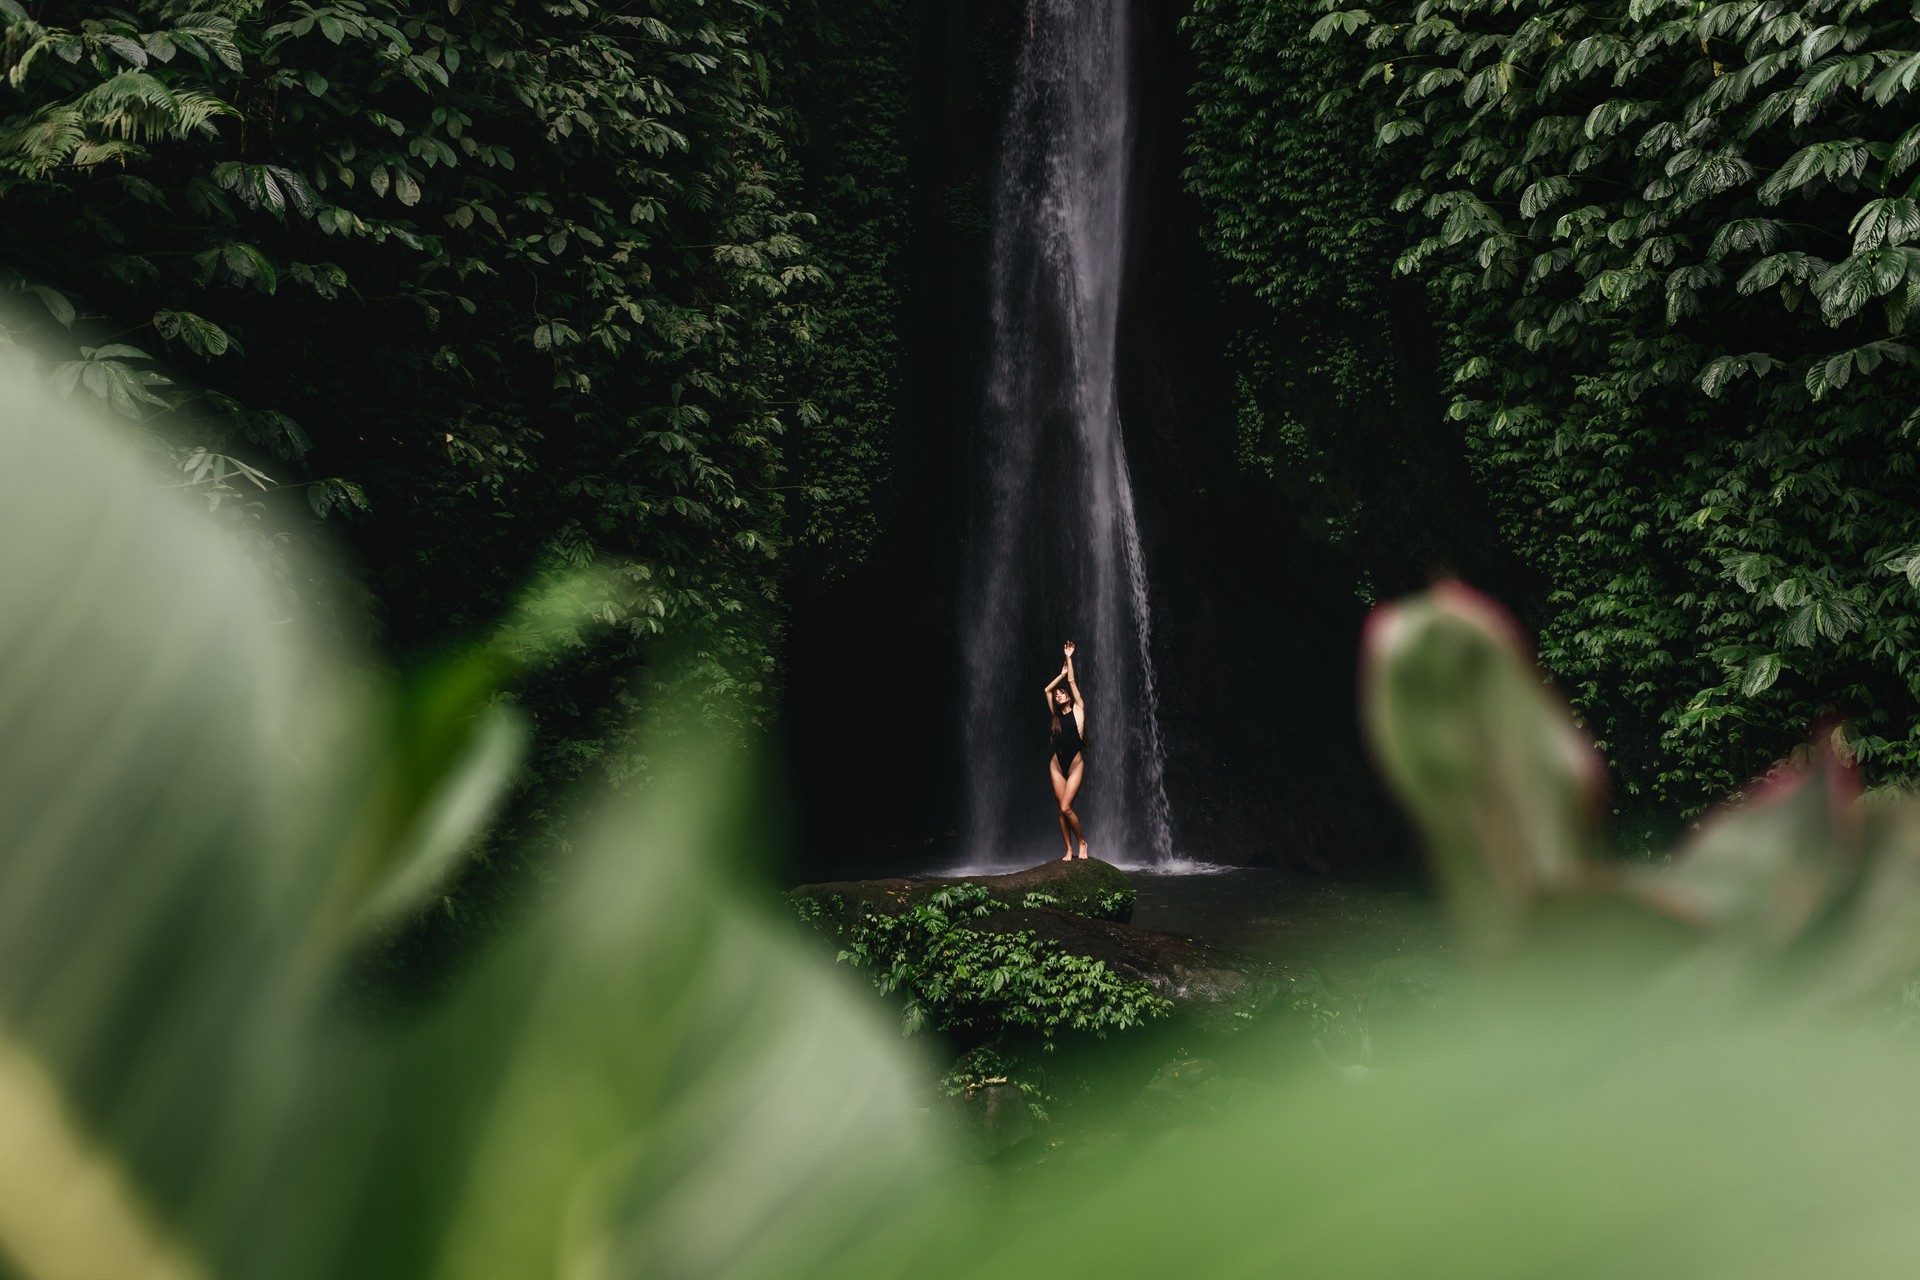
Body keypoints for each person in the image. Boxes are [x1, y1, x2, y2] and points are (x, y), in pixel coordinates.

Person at [1043, 641, 1089, 861]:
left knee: (1066, 806)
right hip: (1056, 764)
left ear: (1069, 697)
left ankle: (1082, 842)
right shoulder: (1056, 716)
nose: (1059, 695)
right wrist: (1059, 675)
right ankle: (1068, 849)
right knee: (1061, 810)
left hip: (1075, 763)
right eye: (1058, 695)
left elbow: (1072, 681)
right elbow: (1047, 690)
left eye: (1063, 694)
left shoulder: (1078, 709)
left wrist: (1069, 658)